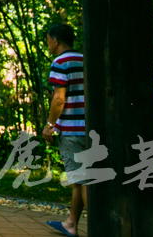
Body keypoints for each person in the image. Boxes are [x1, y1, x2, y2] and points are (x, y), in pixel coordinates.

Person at [42, 23, 86, 237]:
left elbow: (59, 98)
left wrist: (50, 125)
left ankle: (100, 227)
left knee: (82, 180)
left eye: (48, 39)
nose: (48, 43)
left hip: (72, 129)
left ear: (56, 41)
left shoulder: (60, 62)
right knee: (81, 179)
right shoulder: (85, 60)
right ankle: (71, 224)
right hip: (91, 129)